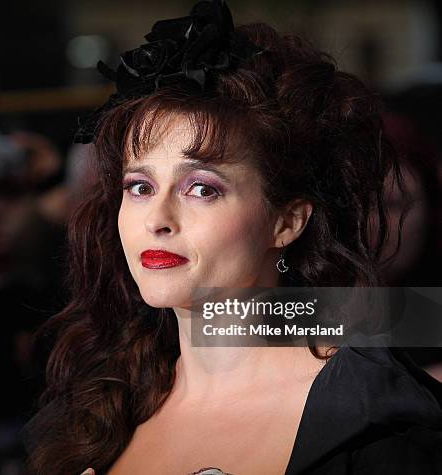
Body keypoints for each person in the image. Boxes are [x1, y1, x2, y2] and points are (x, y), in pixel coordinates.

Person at [22, 1, 442, 474]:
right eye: (140, 187)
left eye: (202, 188)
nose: (156, 219)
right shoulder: (96, 408)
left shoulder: (375, 423)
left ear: (288, 221)